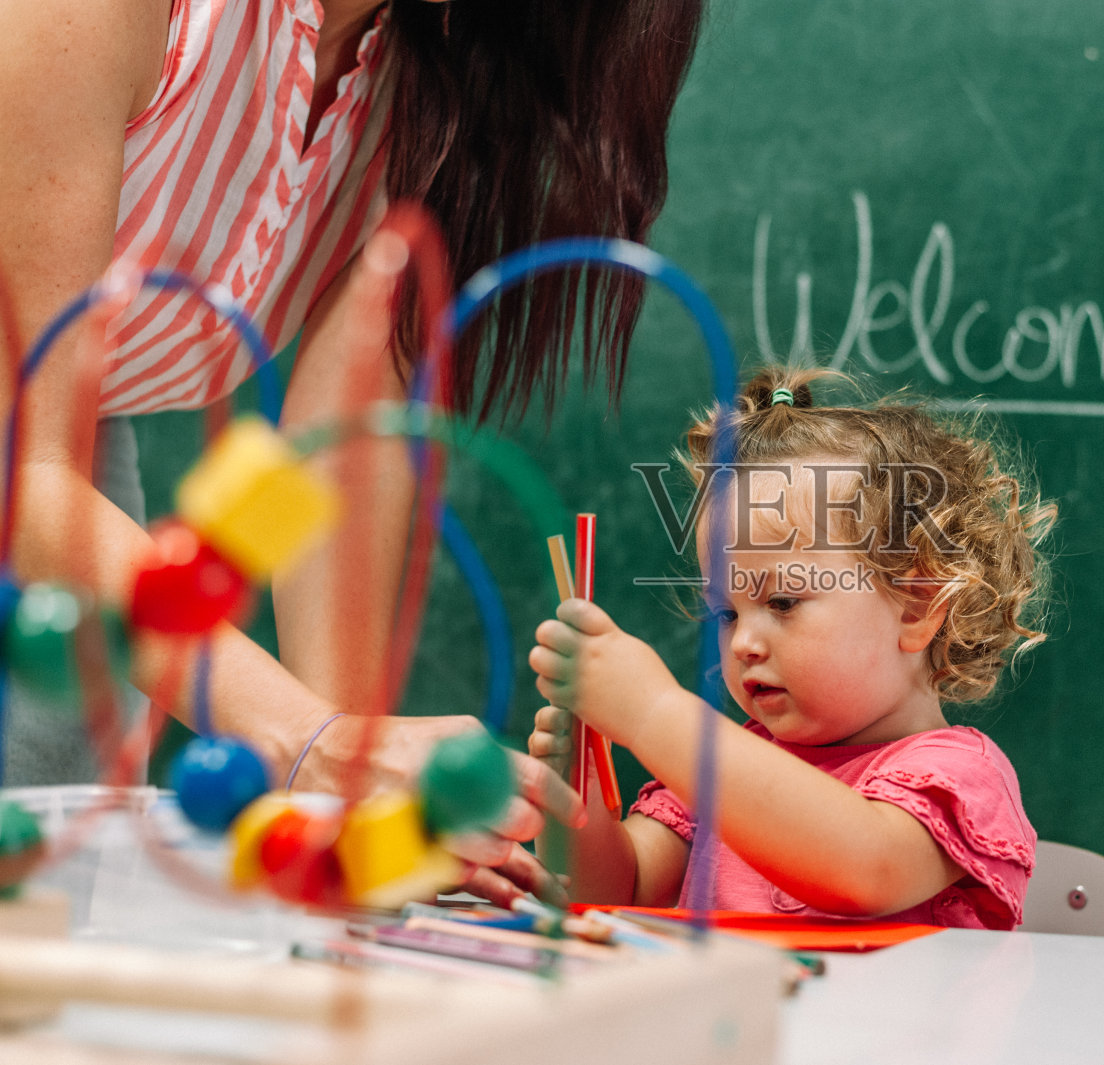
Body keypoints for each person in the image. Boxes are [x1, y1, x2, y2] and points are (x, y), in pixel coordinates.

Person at [0, 0, 705, 906]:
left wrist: (349, 794)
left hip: (76, 466)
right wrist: (306, 739)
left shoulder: (432, 59)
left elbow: (342, 443)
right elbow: (28, 468)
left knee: (39, 897)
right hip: (43, 471)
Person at [528, 368, 1056, 928]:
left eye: (782, 602)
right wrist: (571, 798)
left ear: (915, 608)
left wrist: (655, 713)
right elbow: (616, 889)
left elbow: (864, 869)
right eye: (726, 613)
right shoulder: (726, 767)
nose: (745, 643)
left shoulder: (958, 776)